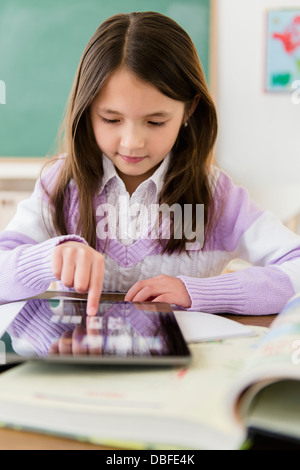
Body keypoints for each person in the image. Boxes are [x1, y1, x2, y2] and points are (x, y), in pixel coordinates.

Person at [1, 11, 300, 316]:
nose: (132, 141)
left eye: (155, 122)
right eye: (111, 119)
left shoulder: (216, 196)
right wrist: (48, 258)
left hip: (188, 362)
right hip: (81, 361)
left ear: (189, 110)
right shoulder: (62, 184)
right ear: (87, 109)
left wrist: (200, 291)